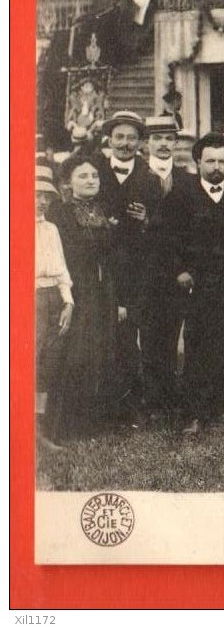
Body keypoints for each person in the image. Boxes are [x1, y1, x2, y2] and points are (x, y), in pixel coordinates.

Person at [159, 133, 224, 434]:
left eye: (223, 161)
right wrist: (179, 271)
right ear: (198, 162)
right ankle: (195, 412)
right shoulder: (180, 196)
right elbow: (166, 239)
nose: (216, 167)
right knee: (197, 345)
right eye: (211, 160)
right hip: (196, 284)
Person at [46, 153, 124, 441]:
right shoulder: (60, 212)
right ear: (68, 182)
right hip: (77, 291)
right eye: (83, 176)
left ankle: (93, 421)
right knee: (75, 355)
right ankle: (65, 425)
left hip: (103, 290)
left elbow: (113, 254)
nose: (90, 181)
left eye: (94, 176)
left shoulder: (102, 210)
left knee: (100, 354)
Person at [97, 110, 162, 423]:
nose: (125, 143)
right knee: (103, 335)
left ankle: (136, 406)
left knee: (133, 337)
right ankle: (103, 406)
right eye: (119, 137)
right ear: (109, 139)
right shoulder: (94, 171)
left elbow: (164, 227)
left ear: (140, 142)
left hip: (137, 271)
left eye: (131, 138)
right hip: (103, 267)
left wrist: (146, 221)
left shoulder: (150, 179)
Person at [140, 114, 189, 414]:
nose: (163, 144)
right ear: (147, 143)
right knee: (148, 334)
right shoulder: (139, 177)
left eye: (168, 139)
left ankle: (170, 396)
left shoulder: (185, 178)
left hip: (177, 270)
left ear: (175, 142)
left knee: (172, 333)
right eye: (157, 139)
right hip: (146, 269)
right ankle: (151, 398)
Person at [35, 165, 73, 451]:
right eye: (35, 194)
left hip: (52, 298)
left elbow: (61, 270)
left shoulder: (51, 228)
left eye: (46, 196)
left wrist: (68, 302)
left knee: (48, 364)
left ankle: (39, 429)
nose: (41, 201)